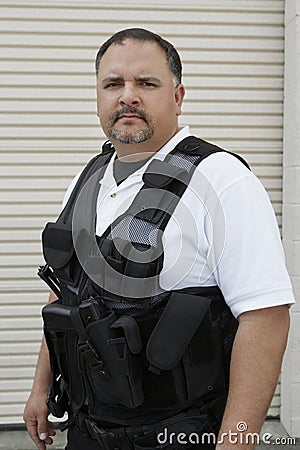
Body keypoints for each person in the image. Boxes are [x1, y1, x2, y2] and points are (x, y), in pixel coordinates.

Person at [23, 28, 294, 450]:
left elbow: (266, 317)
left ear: (178, 96)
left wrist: (236, 443)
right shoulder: (88, 178)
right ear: (98, 97)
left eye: (146, 84)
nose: (127, 96)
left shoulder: (221, 181)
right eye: (113, 84)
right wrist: (41, 386)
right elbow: (68, 294)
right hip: (87, 429)